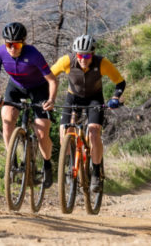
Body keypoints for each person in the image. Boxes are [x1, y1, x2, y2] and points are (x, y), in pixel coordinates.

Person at [50, 34, 126, 192]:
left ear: (92, 54)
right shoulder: (66, 61)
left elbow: (120, 81)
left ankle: (96, 172)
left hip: (94, 99)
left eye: (86, 55)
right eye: (79, 55)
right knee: (64, 132)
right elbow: (48, 76)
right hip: (73, 99)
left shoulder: (102, 63)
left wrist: (115, 97)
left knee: (93, 133)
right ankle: (71, 165)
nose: (83, 59)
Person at [0, 21, 58, 188]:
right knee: (7, 121)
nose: (13, 48)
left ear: (23, 42)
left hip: (38, 89)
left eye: (17, 44)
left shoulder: (33, 54)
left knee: (42, 133)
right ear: (5, 43)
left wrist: (51, 100)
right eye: (9, 44)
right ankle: (11, 161)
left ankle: (47, 165)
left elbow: (52, 80)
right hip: (16, 87)